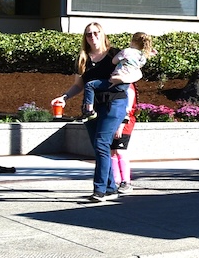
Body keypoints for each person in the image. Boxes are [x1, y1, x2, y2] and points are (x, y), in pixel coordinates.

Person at [52, 22, 131, 202]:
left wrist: (125, 117)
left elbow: (129, 82)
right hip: (92, 107)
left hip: (114, 103)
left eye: (96, 33)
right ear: (85, 38)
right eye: (88, 34)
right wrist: (64, 97)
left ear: (102, 34)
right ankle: (111, 188)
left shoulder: (115, 54)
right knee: (99, 147)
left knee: (102, 143)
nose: (92, 37)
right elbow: (77, 85)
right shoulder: (83, 58)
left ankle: (100, 190)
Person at [83, 32, 154, 120]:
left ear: (132, 41)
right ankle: (126, 112)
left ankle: (89, 110)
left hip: (115, 79)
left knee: (90, 85)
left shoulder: (126, 51)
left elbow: (114, 61)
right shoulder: (142, 57)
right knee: (130, 91)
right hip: (126, 83)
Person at [110, 82, 139, 194]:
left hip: (124, 124)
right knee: (112, 151)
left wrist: (121, 126)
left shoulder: (128, 87)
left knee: (120, 151)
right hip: (114, 121)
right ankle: (115, 180)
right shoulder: (116, 84)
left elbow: (128, 108)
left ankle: (126, 181)